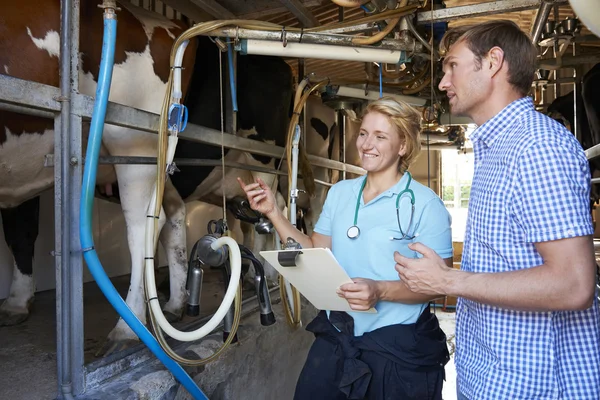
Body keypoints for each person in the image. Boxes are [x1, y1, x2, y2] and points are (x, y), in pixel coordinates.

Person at [395, 20, 600, 400]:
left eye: (452, 66)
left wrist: (448, 281)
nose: (442, 83)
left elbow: (574, 284)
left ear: (492, 62)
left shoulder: (537, 148)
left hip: (535, 387)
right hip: (496, 378)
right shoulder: (497, 149)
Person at [238, 97, 453, 400]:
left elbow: (439, 286)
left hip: (395, 346)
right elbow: (314, 250)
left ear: (403, 145)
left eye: (381, 136)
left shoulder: (426, 205)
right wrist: (274, 213)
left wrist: (380, 290)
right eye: (363, 133)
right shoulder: (340, 193)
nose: (367, 144)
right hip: (339, 334)